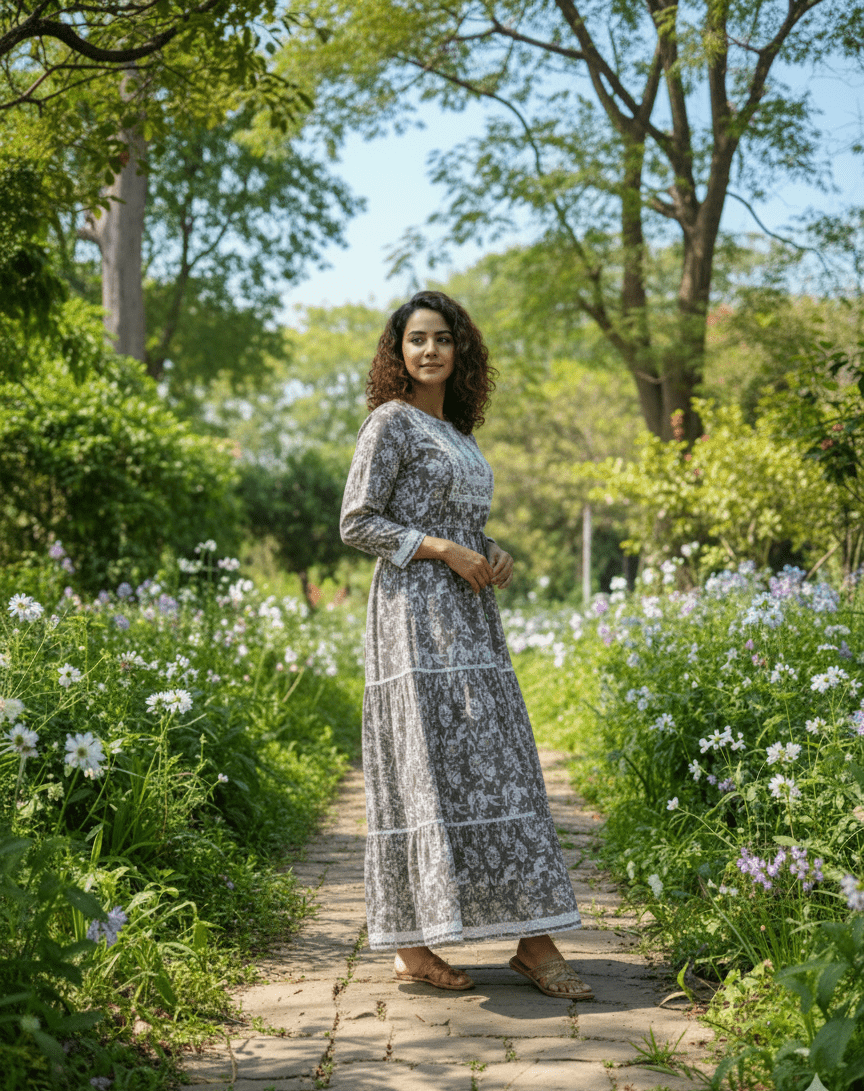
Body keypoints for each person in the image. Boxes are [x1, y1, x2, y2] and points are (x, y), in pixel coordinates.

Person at [339, 290, 592, 1000]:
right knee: (427, 763)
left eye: (442, 339)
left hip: (472, 623)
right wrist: (444, 549)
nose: (429, 350)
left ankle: (533, 940)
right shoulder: (388, 423)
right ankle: (414, 946)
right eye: (415, 339)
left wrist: (488, 549)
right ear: (397, 352)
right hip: (413, 625)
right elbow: (357, 522)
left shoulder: (459, 432)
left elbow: (457, 520)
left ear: (460, 351)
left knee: (500, 760)